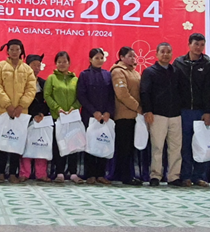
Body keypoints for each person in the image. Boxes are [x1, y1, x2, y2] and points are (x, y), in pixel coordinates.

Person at [173, 33, 210, 187]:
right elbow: (175, 88)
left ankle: (199, 176)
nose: (199, 47)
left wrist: (207, 111)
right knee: (185, 145)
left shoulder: (208, 64)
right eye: (196, 44)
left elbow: (209, 89)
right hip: (183, 111)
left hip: (200, 111)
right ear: (189, 44)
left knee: (201, 143)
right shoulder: (178, 63)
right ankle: (185, 176)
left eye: (202, 45)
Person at [0, 39, 36, 183]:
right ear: (8, 51)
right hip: (3, 111)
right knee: (1, 142)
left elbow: (31, 89)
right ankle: (0, 173)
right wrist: (7, 105)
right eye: (12, 49)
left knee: (16, 142)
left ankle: (12, 173)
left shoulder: (27, 69)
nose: (14, 52)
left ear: (21, 51)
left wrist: (21, 106)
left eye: (17, 49)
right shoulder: (0, 66)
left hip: (20, 113)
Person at [140, 43, 184, 187]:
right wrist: (147, 111)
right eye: (162, 52)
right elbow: (145, 92)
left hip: (175, 115)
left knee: (175, 147)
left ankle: (173, 176)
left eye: (168, 52)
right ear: (157, 54)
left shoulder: (176, 71)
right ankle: (155, 175)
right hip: (157, 115)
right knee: (157, 147)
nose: (165, 54)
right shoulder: (149, 72)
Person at [77, 48, 115, 185]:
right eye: (96, 58)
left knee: (103, 142)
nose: (99, 60)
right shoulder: (84, 75)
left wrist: (108, 112)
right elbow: (81, 95)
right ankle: (90, 174)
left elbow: (112, 95)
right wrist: (94, 112)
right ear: (90, 59)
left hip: (105, 117)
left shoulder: (108, 75)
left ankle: (101, 174)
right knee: (90, 144)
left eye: (101, 58)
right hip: (90, 115)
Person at [44, 51, 83, 184]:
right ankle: (59, 172)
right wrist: (57, 108)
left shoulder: (75, 79)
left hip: (72, 118)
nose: (62, 64)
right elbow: (47, 95)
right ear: (55, 63)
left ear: (69, 63)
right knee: (58, 145)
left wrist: (74, 107)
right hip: (58, 117)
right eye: (59, 62)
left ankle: (73, 173)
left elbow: (80, 96)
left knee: (74, 144)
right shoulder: (51, 78)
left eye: (64, 61)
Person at [110, 46, 143, 186]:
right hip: (124, 115)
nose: (133, 58)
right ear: (121, 57)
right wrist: (138, 107)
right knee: (124, 147)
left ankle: (125, 174)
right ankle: (125, 176)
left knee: (130, 147)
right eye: (130, 56)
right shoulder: (118, 71)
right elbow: (122, 94)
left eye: (134, 56)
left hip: (134, 116)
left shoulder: (134, 72)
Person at [19, 54, 51, 182]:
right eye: (34, 65)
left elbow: (47, 100)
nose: (37, 68)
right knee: (25, 145)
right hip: (25, 116)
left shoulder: (43, 83)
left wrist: (42, 113)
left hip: (40, 118)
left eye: (39, 65)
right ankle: (24, 173)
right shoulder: (21, 82)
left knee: (41, 144)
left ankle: (41, 173)